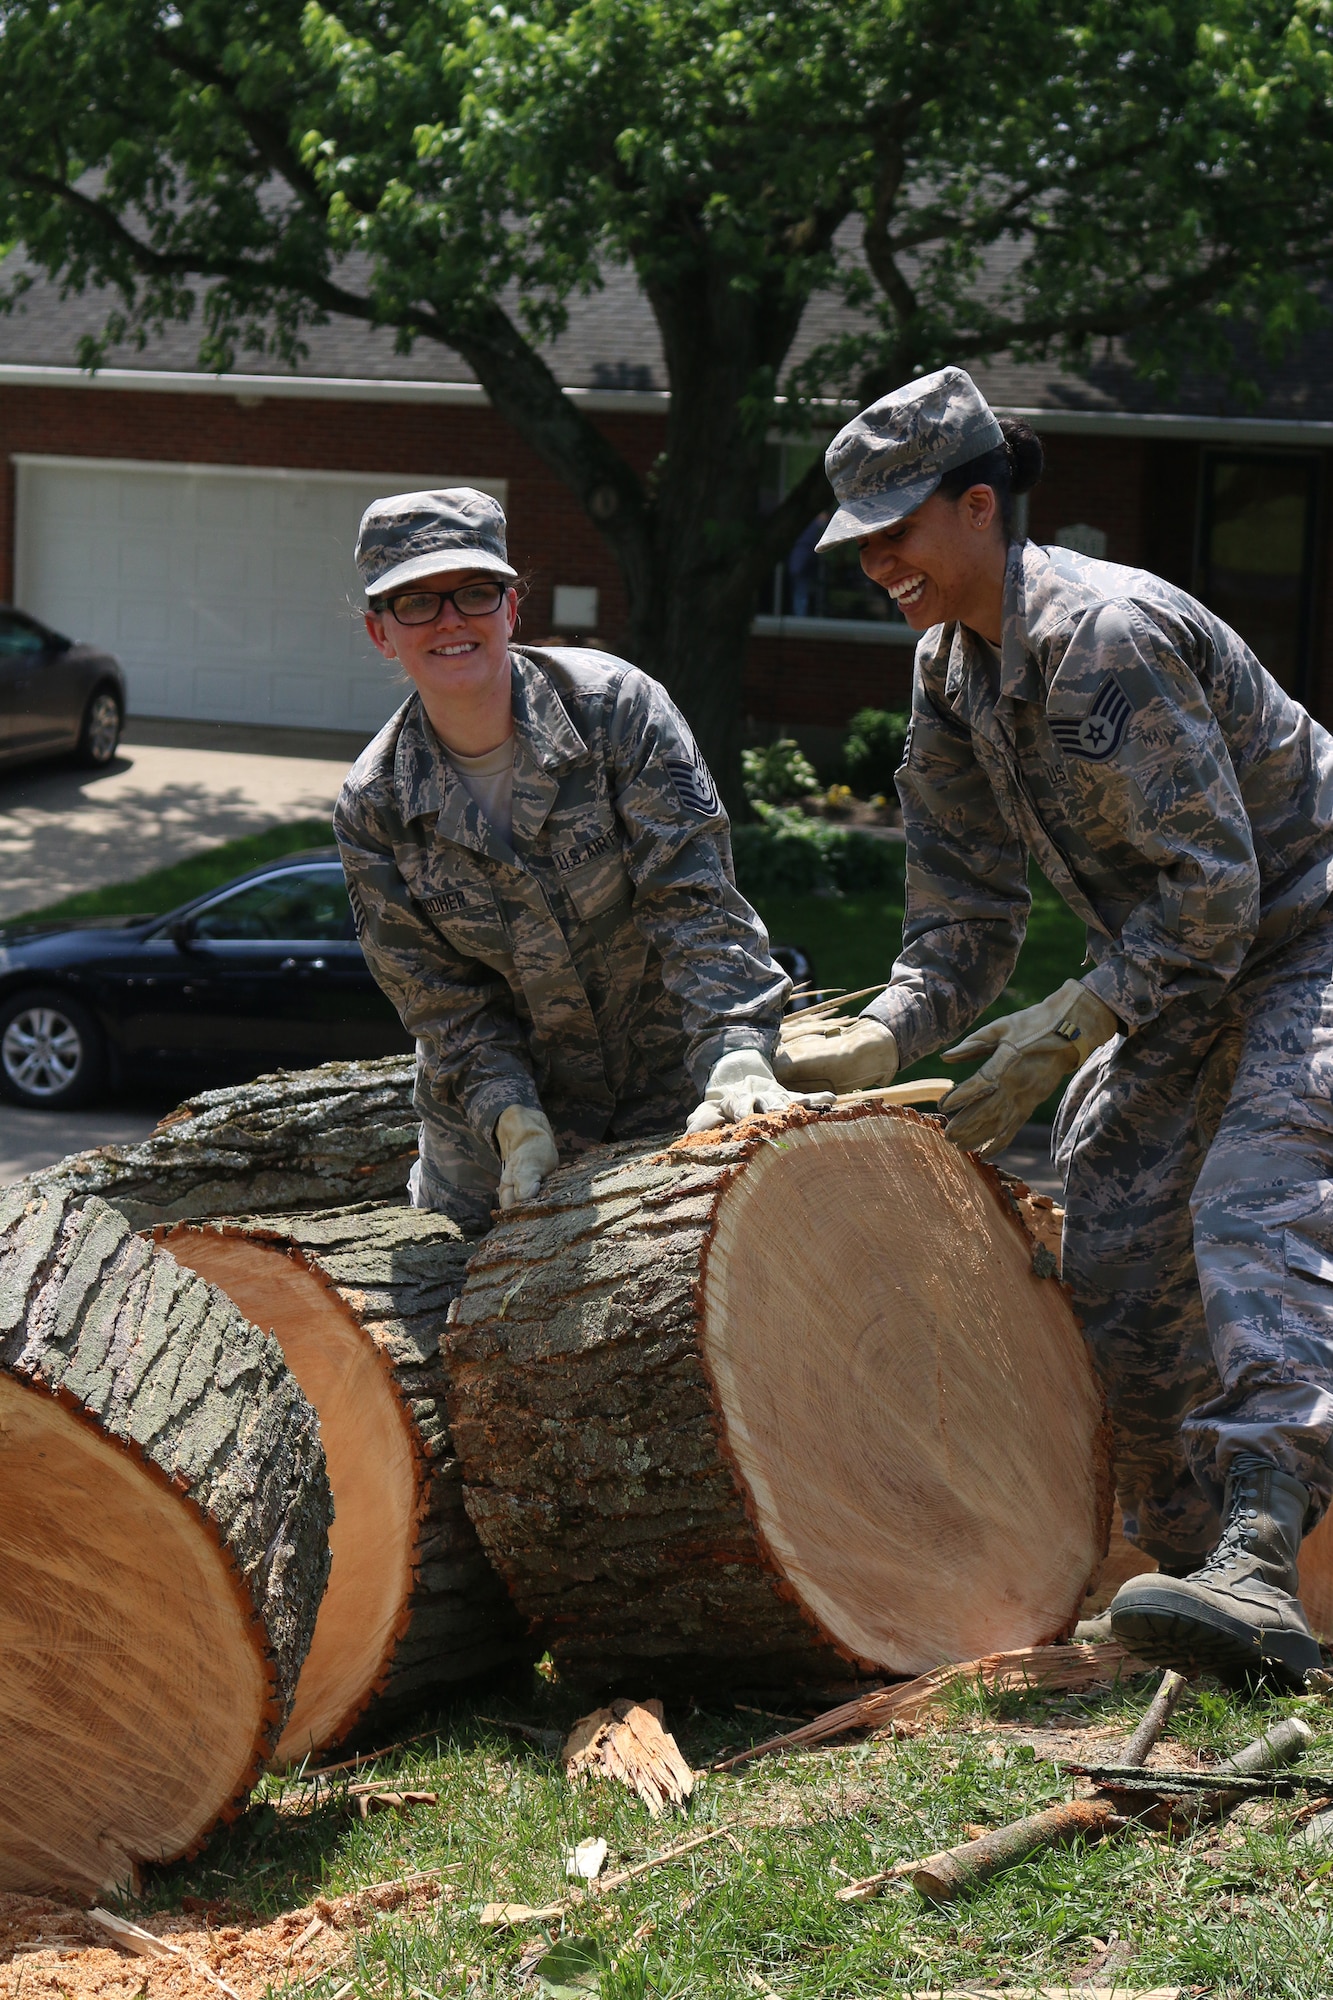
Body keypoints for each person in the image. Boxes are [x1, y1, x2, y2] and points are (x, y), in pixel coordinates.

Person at [775, 366, 1333, 1686]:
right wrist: (886, 1037)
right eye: (859, 547)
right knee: (1113, 1219)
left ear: (979, 508)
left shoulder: (1104, 635)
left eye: (896, 536)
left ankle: (1263, 1545)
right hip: (1192, 965)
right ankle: (1190, 1569)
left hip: (1308, 936)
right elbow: (965, 916)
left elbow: (1218, 891)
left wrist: (1075, 1019)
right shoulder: (948, 671)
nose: (877, 566)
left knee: (1252, 1199)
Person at [334, 486, 825, 1232]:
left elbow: (692, 900)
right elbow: (442, 1002)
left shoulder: (616, 711)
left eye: (473, 593)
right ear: (379, 632)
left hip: (666, 1097)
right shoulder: (375, 805)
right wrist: (512, 1119)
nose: (449, 621)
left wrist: (733, 1052)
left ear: (511, 608)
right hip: (489, 1148)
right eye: (415, 604)